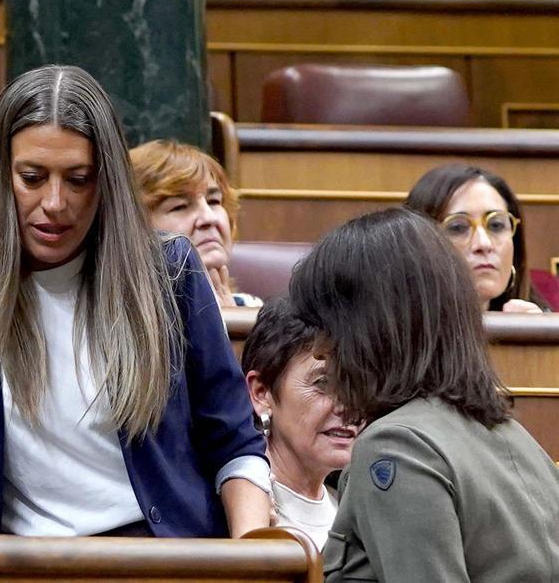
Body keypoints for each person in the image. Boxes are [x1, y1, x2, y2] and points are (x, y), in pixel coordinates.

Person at [0, 65, 270, 538]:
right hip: (24, 567)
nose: (55, 203)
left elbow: (234, 442)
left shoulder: (169, 274)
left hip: (167, 560)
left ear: (108, 183)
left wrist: (253, 557)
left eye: (78, 180)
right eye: (32, 178)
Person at [288, 208, 559, 581]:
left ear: (376, 328)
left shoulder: (396, 446)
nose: (319, 349)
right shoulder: (516, 439)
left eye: (329, 326)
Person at [240, 298, 356, 550]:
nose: (347, 405)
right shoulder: (237, 511)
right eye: (323, 383)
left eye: (356, 383)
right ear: (261, 392)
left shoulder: (358, 508)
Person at [130, 139, 260, 308]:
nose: (209, 218)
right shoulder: (114, 320)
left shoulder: (253, 309)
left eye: (214, 201)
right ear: (134, 227)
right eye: (180, 206)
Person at [405, 164, 546, 312]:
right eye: (458, 228)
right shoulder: (394, 332)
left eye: (496, 225)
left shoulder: (543, 323)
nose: (484, 244)